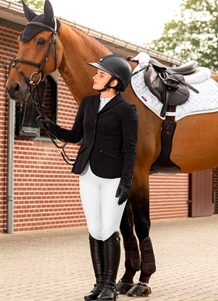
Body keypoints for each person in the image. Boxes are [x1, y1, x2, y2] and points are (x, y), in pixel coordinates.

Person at [37, 54, 138, 301]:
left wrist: (126, 182)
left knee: (110, 229)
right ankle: (99, 284)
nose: (95, 77)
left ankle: (110, 288)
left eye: (100, 74)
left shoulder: (127, 110)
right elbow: (75, 135)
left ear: (114, 82)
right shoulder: (87, 103)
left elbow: (130, 148)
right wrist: (50, 125)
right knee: (94, 229)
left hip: (113, 177)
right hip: (88, 173)